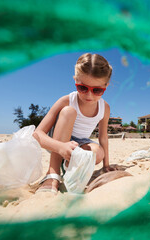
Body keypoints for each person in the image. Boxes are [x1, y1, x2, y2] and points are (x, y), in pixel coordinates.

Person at [32, 53, 116, 194]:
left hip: (81, 143)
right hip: (57, 140)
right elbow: (37, 134)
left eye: (97, 90)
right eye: (83, 88)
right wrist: (60, 147)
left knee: (98, 153)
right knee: (69, 111)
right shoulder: (67, 100)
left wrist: (106, 166)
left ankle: (68, 163)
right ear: (75, 80)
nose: (89, 96)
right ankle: (52, 173)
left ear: (106, 85)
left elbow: (103, 137)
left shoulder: (104, 108)